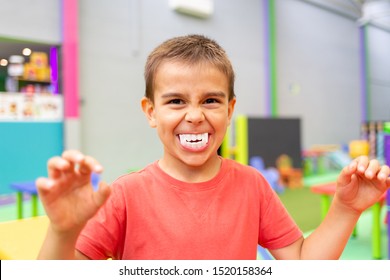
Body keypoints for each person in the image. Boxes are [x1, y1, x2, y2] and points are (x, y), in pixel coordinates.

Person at [36, 34, 390, 260]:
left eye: (210, 101)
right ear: (151, 112)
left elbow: (301, 265)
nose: (194, 115)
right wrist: (63, 232)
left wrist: (345, 209)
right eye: (176, 101)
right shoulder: (126, 195)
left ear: (230, 109)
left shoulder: (253, 185)